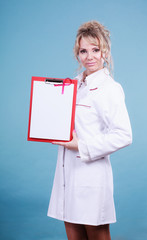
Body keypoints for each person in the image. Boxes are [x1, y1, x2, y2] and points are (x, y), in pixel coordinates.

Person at [47, 20, 132, 240]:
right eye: (83, 51)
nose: (90, 56)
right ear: (77, 54)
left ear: (105, 51)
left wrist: (81, 145)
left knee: (97, 234)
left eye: (95, 49)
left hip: (91, 177)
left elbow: (124, 135)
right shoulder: (70, 86)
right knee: (73, 234)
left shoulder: (110, 89)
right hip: (67, 175)